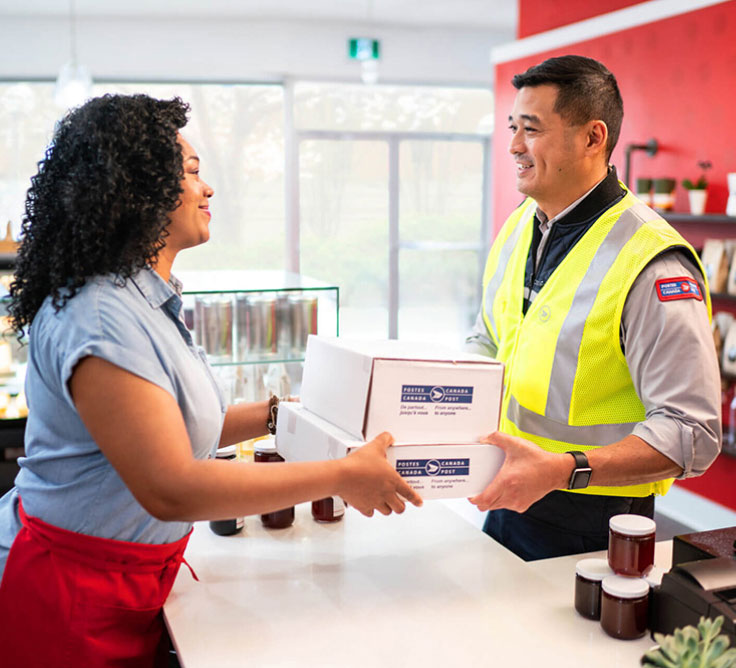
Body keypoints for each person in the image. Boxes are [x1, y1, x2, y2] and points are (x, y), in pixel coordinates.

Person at [0, 94, 422, 667]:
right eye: (193, 172)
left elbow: (171, 431)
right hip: (69, 590)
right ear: (139, 187)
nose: (209, 188)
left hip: (130, 579)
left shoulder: (146, 298)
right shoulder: (100, 315)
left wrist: (281, 414)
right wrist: (342, 475)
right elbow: (170, 485)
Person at [465, 55, 721, 561]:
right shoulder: (521, 224)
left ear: (592, 138)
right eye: (513, 127)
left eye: (532, 129)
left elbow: (692, 431)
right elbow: (487, 338)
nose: (514, 145)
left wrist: (563, 468)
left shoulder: (653, 263)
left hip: (593, 525)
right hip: (508, 494)